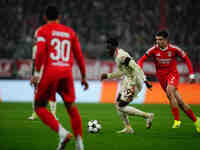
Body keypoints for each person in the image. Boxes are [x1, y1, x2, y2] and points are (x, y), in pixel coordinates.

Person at [30, 5, 88, 150]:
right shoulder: (70, 32)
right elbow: (79, 55)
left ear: (45, 17)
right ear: (59, 17)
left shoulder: (43, 31)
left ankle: (63, 133)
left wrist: (37, 74)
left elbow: (40, 52)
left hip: (50, 73)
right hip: (66, 73)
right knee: (71, 107)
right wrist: (83, 76)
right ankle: (79, 144)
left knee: (39, 107)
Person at [138, 30, 200, 132]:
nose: (158, 42)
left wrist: (192, 75)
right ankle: (196, 121)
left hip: (173, 74)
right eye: (156, 39)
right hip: (161, 78)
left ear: (166, 40)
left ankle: (177, 120)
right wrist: (143, 76)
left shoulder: (174, 49)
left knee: (170, 90)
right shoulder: (153, 50)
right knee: (180, 103)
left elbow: (187, 59)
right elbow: (140, 61)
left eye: (160, 39)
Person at [100, 36, 154, 134]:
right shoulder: (116, 56)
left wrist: (145, 80)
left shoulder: (121, 56)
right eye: (107, 47)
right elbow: (122, 72)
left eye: (109, 47)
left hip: (134, 82)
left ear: (114, 46)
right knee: (117, 104)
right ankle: (128, 128)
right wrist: (108, 75)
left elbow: (135, 66)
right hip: (127, 81)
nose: (107, 50)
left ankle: (147, 116)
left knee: (121, 106)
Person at [28, 36, 57, 121]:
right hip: (39, 73)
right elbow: (34, 62)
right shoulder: (35, 48)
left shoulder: (51, 47)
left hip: (49, 72)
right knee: (36, 93)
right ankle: (35, 113)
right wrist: (33, 75)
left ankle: (53, 114)